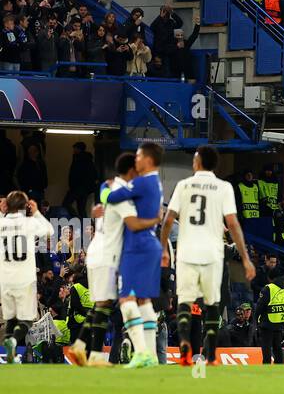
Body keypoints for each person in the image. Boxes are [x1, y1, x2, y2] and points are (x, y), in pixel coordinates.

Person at [158, 146, 254, 365]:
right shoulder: (224, 187)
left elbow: (168, 220)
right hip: (212, 253)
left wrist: (163, 249)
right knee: (211, 304)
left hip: (187, 251)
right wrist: (246, 258)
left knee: (184, 301)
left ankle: (184, 347)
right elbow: (233, 224)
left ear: (198, 162)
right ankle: (209, 356)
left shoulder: (183, 185)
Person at [69, 153, 140, 367]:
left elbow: (105, 190)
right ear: (131, 171)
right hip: (106, 254)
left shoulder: (109, 190)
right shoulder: (123, 195)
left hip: (97, 252)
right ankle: (94, 355)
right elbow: (134, 226)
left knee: (103, 304)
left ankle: (82, 348)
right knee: (103, 304)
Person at [103, 143, 166, 368]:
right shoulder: (156, 183)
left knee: (126, 299)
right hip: (151, 244)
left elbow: (111, 197)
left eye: (139, 155)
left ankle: (141, 353)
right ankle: (151, 355)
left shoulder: (140, 182)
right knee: (144, 300)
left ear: (148, 159)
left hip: (137, 246)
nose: (136, 160)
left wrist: (106, 187)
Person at [0, 190, 54, 364]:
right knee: (27, 320)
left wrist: (2, 212)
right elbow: (50, 231)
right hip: (24, 279)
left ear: (7, 205)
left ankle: (12, 354)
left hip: (5, 279)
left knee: (10, 319)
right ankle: (14, 341)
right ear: (25, 206)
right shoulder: (29, 223)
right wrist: (37, 211)